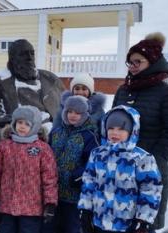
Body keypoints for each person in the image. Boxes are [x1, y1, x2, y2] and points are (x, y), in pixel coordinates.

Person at [113, 32, 168, 231]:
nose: (133, 66)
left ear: (152, 62)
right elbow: (112, 123)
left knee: (143, 224)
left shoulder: (167, 92)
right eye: (130, 62)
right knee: (117, 220)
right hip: (120, 168)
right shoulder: (123, 90)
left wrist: (155, 159)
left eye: (138, 61)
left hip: (149, 173)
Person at [78, 105, 163, 233]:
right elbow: (89, 183)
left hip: (128, 225)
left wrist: (143, 221)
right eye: (111, 128)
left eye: (121, 129)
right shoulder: (97, 154)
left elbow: (150, 190)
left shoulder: (142, 158)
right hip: (99, 222)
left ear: (132, 131)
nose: (115, 133)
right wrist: (85, 210)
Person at [0, 105, 58, 233]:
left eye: (27, 124)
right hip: (7, 205)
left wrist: (50, 203)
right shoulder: (4, 146)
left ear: (34, 126)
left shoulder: (42, 149)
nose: (22, 126)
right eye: (19, 122)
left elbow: (49, 178)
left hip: (32, 208)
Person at [0, 39, 65, 141]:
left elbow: (67, 105)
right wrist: (13, 120)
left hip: (52, 134)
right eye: (23, 54)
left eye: (32, 54)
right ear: (12, 58)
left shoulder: (50, 78)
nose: (29, 58)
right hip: (18, 135)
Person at [44, 95, 99, 233]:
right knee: (49, 227)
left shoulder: (89, 136)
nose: (73, 115)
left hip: (74, 194)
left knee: (71, 227)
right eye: (70, 111)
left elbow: (93, 162)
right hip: (52, 192)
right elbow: (45, 156)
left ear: (85, 115)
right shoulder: (56, 132)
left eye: (78, 113)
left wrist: (79, 176)